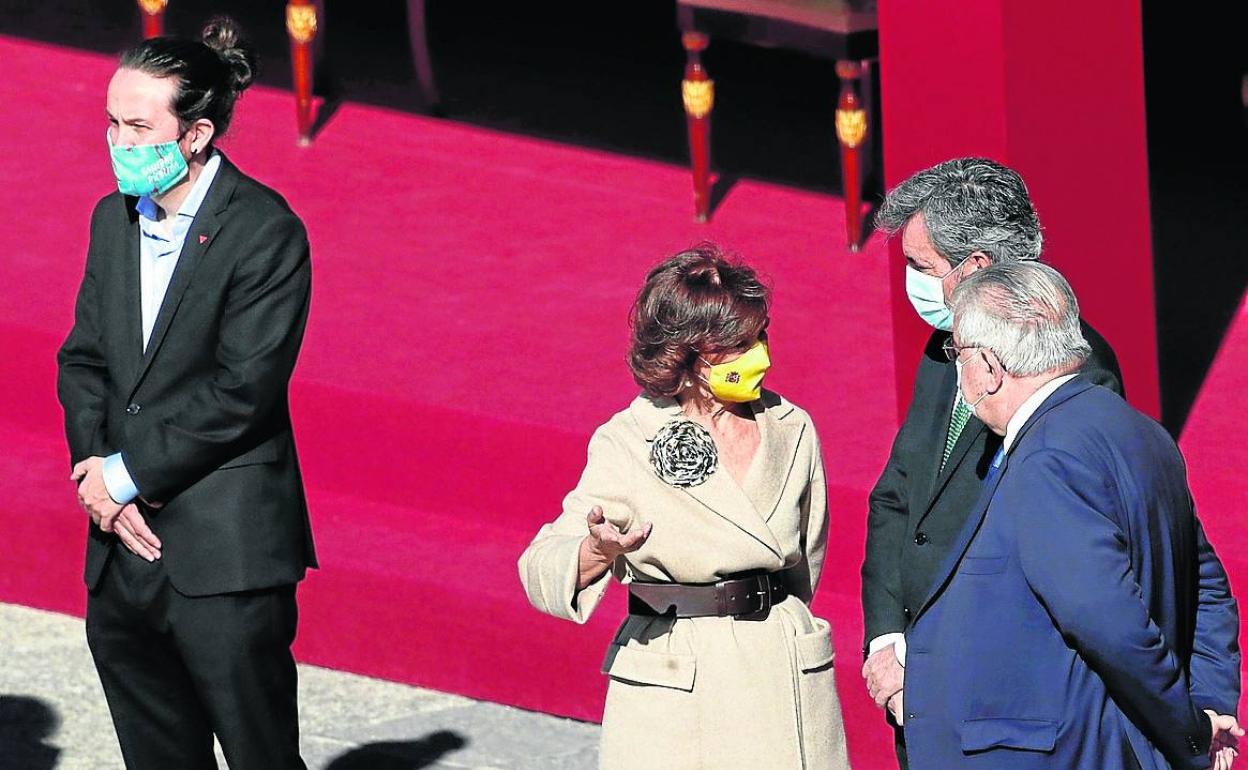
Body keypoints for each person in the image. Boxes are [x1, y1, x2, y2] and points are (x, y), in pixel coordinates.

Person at [57, 18, 314, 770]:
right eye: (112, 120)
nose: (118, 139)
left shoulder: (265, 233)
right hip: (119, 552)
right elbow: (84, 362)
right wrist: (97, 474)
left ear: (195, 134)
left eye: (139, 125)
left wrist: (127, 476)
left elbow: (243, 389)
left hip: (222, 557)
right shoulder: (113, 220)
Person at [518, 244, 850, 769]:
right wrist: (597, 551)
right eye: (739, 344)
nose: (760, 355)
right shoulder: (630, 439)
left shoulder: (794, 427)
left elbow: (807, 560)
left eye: (761, 336)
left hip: (780, 673)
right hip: (680, 682)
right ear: (686, 356)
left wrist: (790, 630)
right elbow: (541, 564)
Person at [903, 261, 1241, 769]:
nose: (959, 372)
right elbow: (1208, 585)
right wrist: (1211, 703)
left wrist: (1191, 729)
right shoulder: (1143, 432)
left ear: (991, 368)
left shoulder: (1046, 460)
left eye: (958, 353)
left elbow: (1111, 624)